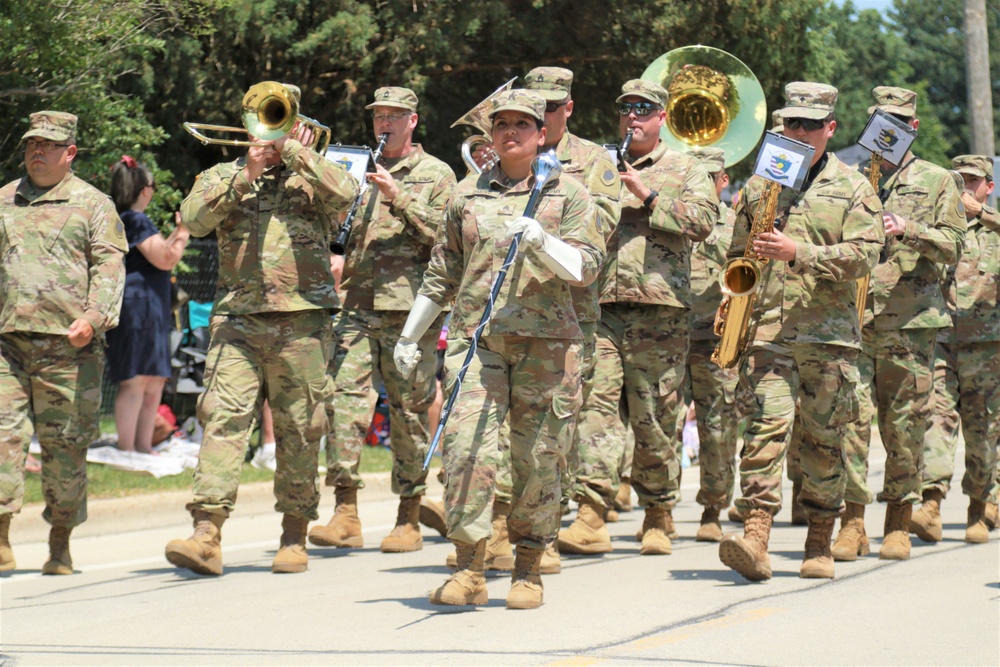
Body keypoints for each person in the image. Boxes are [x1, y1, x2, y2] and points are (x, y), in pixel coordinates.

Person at [394, 89, 604, 609]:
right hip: (477, 341)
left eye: (522, 124)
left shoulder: (569, 194)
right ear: (490, 133)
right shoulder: (464, 196)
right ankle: (469, 568)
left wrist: (543, 242)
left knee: (539, 458)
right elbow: (442, 272)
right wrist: (409, 335)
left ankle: (528, 568)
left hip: (548, 345)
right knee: (466, 449)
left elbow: (586, 268)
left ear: (540, 132)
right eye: (501, 123)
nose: (511, 131)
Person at [164, 84, 358, 576]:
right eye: (268, 120)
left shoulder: (314, 175)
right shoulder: (222, 175)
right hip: (238, 320)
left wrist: (296, 151)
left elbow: (348, 193)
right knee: (221, 418)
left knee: (300, 428)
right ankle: (206, 532)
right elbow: (194, 219)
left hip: (304, 321)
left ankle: (294, 535)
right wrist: (247, 173)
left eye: (282, 120)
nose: (272, 130)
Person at [717, 82, 884, 581]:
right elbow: (737, 250)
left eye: (811, 125)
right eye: (792, 123)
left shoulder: (854, 187)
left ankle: (819, 542)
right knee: (763, 432)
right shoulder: (760, 184)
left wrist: (801, 254)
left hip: (828, 337)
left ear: (830, 129)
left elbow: (868, 256)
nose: (800, 132)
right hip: (769, 332)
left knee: (822, 441)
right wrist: (731, 302)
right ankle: (756, 538)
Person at [462, 66, 621, 573]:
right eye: (537, 108)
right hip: (496, 315)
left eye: (552, 108)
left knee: (551, 433)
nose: (544, 116)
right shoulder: (499, 156)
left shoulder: (593, 162)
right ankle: (494, 536)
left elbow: (601, 230)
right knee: (489, 431)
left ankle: (542, 539)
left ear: (567, 108)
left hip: (568, 313)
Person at [558, 79, 718, 558]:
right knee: (596, 407)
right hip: (600, 304)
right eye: (626, 109)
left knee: (654, 418)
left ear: (662, 117)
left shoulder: (685, 167)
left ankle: (658, 511)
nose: (633, 118)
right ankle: (590, 510)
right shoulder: (597, 166)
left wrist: (647, 195)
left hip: (660, 310)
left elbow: (704, 222)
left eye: (644, 110)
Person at [308, 86, 456, 554]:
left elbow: (447, 236)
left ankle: (408, 515)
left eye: (393, 116)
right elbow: (338, 231)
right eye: (378, 117)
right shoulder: (357, 168)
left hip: (411, 310)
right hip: (357, 303)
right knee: (341, 403)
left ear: (413, 120)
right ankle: (345, 510)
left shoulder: (436, 174)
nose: (384, 124)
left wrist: (399, 198)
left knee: (408, 411)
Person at [832, 86, 965, 562]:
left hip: (910, 325)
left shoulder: (937, 180)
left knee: (904, 428)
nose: (890, 129)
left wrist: (908, 229)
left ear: (915, 127)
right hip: (853, 322)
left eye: (900, 122)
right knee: (850, 423)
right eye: (881, 121)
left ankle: (898, 522)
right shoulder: (848, 176)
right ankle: (851, 523)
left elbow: (954, 245)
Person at [0, 111, 127, 574]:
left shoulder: (94, 205)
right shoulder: (4, 200)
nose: (37, 151)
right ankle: (1, 538)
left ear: (69, 152)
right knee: (2, 440)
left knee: (64, 448)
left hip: (69, 350)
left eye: (47, 145)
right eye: (32, 143)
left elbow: (110, 270)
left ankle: (60, 542)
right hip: (7, 345)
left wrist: (93, 319)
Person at [911, 154, 998, 544]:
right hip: (942, 338)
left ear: (988, 186)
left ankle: (980, 504)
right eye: (957, 180)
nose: (964, 187)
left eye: (972, 180)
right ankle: (931, 503)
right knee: (936, 419)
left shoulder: (995, 230)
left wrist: (985, 213)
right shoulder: (942, 226)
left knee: (982, 431)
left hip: (986, 345)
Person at [105, 156, 189, 454]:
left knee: (153, 380)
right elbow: (166, 258)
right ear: (145, 190)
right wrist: (185, 233)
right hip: (138, 308)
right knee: (136, 380)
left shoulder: (131, 220)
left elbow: (160, 253)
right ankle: (128, 447)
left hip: (149, 308)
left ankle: (142, 447)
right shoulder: (135, 219)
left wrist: (178, 234)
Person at [677, 146, 740, 542]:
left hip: (716, 335)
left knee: (718, 425)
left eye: (708, 178)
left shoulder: (735, 224)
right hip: (669, 330)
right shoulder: (671, 215)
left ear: (723, 181)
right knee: (661, 423)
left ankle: (712, 509)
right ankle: (658, 509)